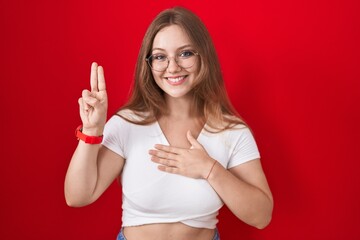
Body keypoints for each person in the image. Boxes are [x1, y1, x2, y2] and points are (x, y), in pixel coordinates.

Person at [64, 6, 273, 240]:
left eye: (185, 53)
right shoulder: (127, 124)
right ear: (149, 63)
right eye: (161, 57)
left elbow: (261, 215)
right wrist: (92, 131)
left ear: (203, 56)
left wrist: (210, 169)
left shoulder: (231, 131)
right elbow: (77, 196)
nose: (172, 67)